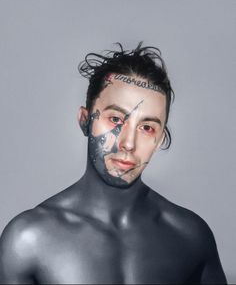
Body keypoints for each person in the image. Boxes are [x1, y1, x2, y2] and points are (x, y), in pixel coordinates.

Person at [0, 43, 227, 284]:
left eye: (147, 128)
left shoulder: (191, 236)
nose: (128, 143)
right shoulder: (28, 240)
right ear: (85, 121)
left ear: (160, 140)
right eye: (116, 119)